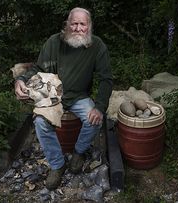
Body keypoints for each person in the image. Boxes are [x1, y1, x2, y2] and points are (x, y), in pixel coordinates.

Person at [14, 7, 113, 190]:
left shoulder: (97, 46)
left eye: (82, 24)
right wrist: (20, 79)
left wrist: (99, 106)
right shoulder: (54, 42)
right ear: (67, 25)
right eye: (73, 23)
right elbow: (38, 68)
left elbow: (106, 79)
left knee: (94, 120)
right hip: (52, 96)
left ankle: (78, 152)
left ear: (89, 26)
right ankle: (57, 164)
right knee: (41, 124)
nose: (77, 28)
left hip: (78, 96)